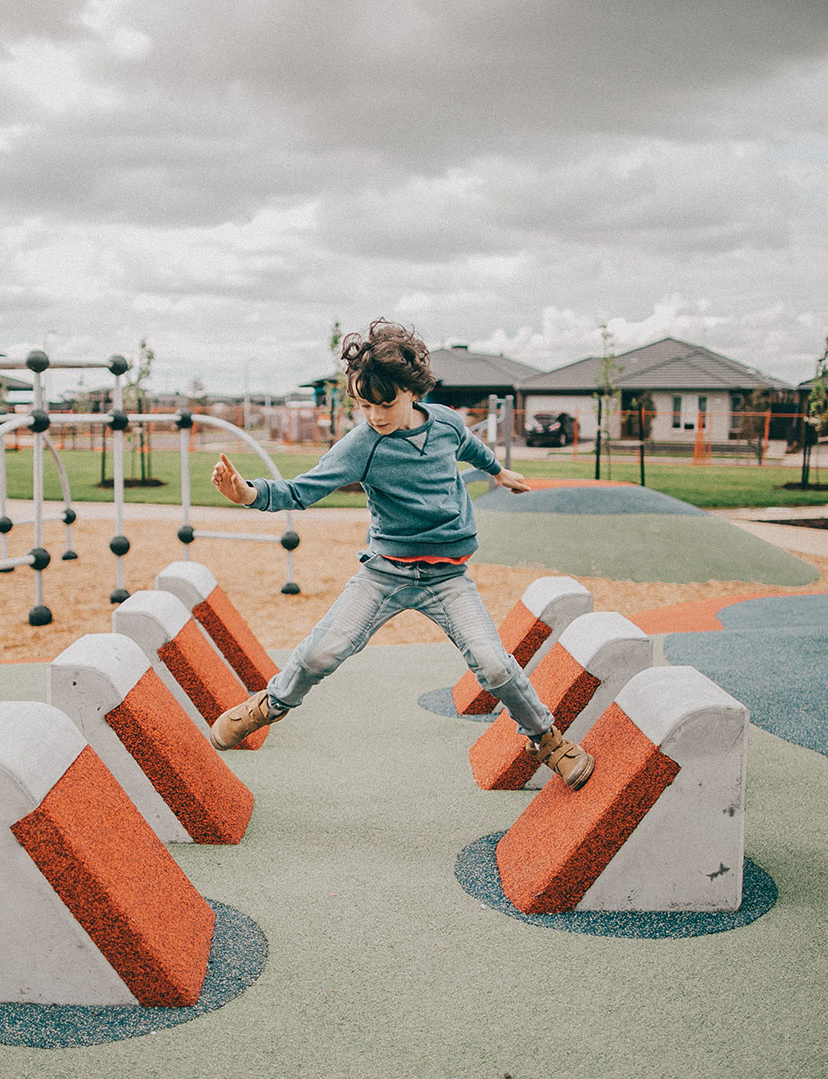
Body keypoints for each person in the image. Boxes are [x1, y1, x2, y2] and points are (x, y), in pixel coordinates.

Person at [208, 319, 594, 790]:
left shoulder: (446, 422)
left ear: (412, 391)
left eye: (385, 402)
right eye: (364, 404)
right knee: (319, 653)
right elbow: (303, 490)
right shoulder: (362, 445)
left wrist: (499, 471)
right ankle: (270, 705)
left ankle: (547, 740)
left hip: (447, 578)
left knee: (493, 664)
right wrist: (247, 493)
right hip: (385, 573)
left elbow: (471, 446)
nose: (375, 414)